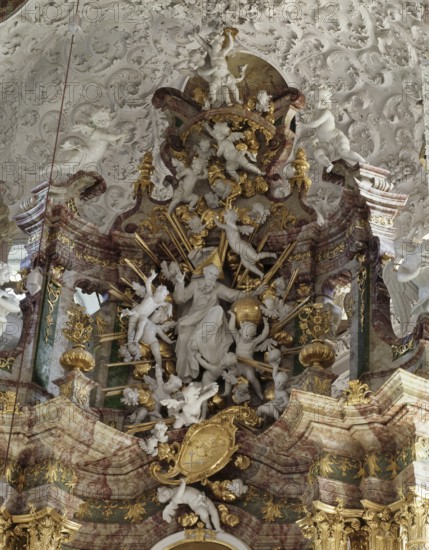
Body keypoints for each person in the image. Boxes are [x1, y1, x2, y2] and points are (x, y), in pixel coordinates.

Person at [172, 263, 245, 381]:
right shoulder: (195, 284)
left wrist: (252, 295)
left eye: (215, 275)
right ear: (204, 272)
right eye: (210, 273)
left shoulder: (218, 288)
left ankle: (197, 338)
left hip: (210, 323)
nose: (212, 277)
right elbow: (180, 299)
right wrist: (180, 283)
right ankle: (185, 376)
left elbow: (233, 295)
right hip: (192, 320)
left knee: (218, 310)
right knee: (184, 337)